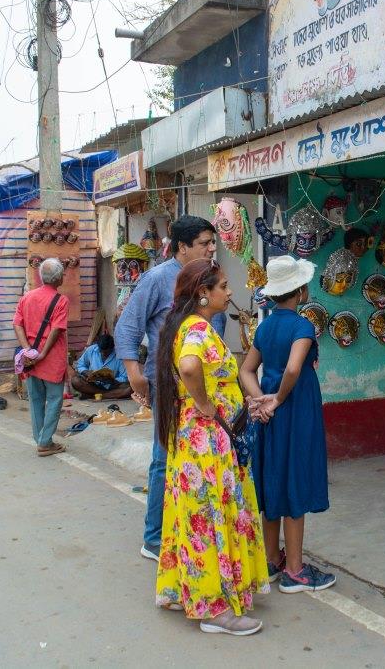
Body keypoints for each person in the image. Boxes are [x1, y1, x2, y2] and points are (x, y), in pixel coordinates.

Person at [154, 258, 269, 635]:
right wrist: (205, 404)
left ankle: (183, 589)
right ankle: (216, 610)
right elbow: (189, 368)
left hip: (199, 439)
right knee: (211, 517)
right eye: (223, 286)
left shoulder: (186, 325)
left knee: (195, 515)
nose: (230, 291)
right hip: (206, 444)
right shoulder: (197, 330)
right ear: (203, 293)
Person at [115, 215, 227, 562]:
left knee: (199, 460)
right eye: (205, 243)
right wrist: (135, 375)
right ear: (182, 247)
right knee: (166, 457)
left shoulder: (211, 280)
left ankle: (191, 532)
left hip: (206, 388)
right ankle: (154, 538)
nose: (212, 248)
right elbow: (127, 328)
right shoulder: (157, 279)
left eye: (213, 242)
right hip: (169, 385)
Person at [239, 256, 335, 593]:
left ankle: (271, 560)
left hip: (269, 414)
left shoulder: (264, 327)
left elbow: (246, 370)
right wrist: (277, 399)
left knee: (273, 478)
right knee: (295, 478)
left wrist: (259, 400)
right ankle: (295, 570)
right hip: (295, 410)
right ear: (301, 290)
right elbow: (294, 369)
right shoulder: (302, 326)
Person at [13, 258, 69, 457]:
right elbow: (56, 329)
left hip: (30, 359)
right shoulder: (61, 300)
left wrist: (28, 349)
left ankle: (40, 439)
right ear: (59, 278)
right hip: (51, 359)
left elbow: (17, 324)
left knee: (36, 400)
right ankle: (45, 442)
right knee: (54, 400)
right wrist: (44, 353)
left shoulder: (26, 297)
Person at [71, 333, 132, 399]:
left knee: (130, 389)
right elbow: (80, 365)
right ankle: (105, 395)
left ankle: (92, 395)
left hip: (112, 386)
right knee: (75, 381)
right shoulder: (91, 350)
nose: (103, 354)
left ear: (113, 348)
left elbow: (124, 377)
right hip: (93, 385)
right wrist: (87, 372)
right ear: (98, 346)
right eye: (101, 351)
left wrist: (113, 380)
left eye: (107, 352)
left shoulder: (119, 355)